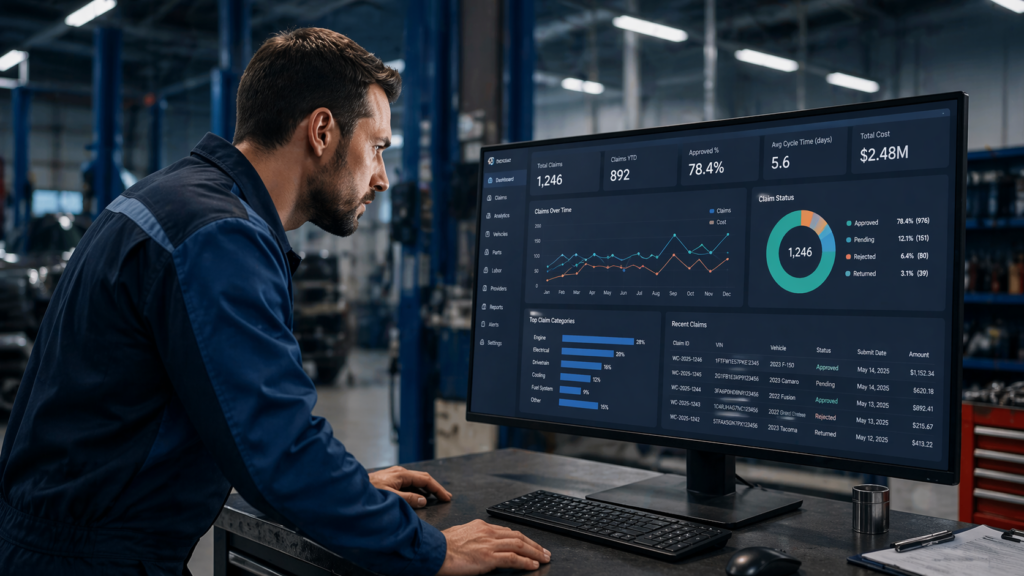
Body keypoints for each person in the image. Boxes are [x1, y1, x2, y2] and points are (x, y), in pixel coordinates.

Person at [0, 28, 550, 576]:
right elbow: (276, 446)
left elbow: (223, 417)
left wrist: (346, 488)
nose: (382, 179)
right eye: (378, 148)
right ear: (322, 131)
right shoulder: (218, 236)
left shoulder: (171, 200)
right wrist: (434, 550)